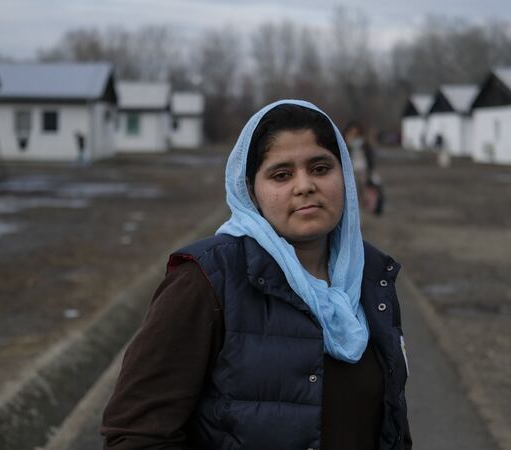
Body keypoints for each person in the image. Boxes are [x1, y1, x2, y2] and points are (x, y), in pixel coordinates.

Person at [100, 100, 412, 450]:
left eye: (321, 168)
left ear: (345, 176)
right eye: (281, 174)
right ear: (251, 191)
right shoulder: (207, 280)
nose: (305, 185)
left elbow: (392, 423)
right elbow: (136, 435)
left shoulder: (372, 276)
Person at [343, 121, 383, 215]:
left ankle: (366, 206)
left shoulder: (365, 145)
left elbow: (370, 157)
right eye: (352, 133)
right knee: (354, 190)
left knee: (365, 189)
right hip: (351, 171)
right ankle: (356, 208)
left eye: (356, 133)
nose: (354, 135)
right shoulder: (346, 145)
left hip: (363, 170)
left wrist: (372, 170)